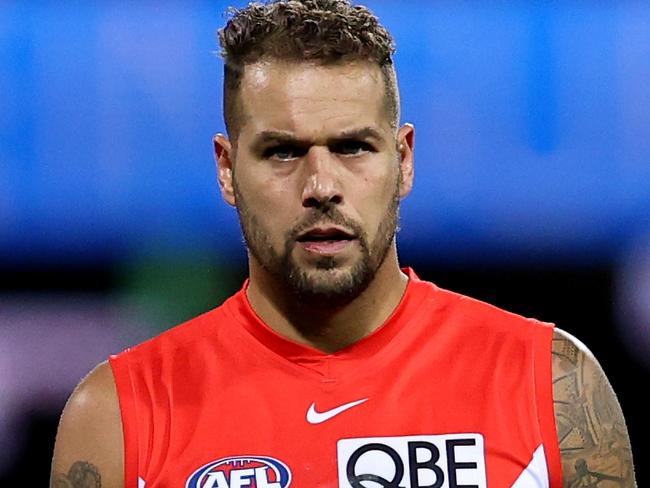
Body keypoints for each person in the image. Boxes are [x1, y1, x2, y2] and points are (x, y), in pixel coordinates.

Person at [51, 1, 637, 487]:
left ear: (403, 160)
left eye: (354, 147)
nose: (322, 187)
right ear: (227, 169)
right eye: (282, 152)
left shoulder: (550, 386)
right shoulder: (119, 418)